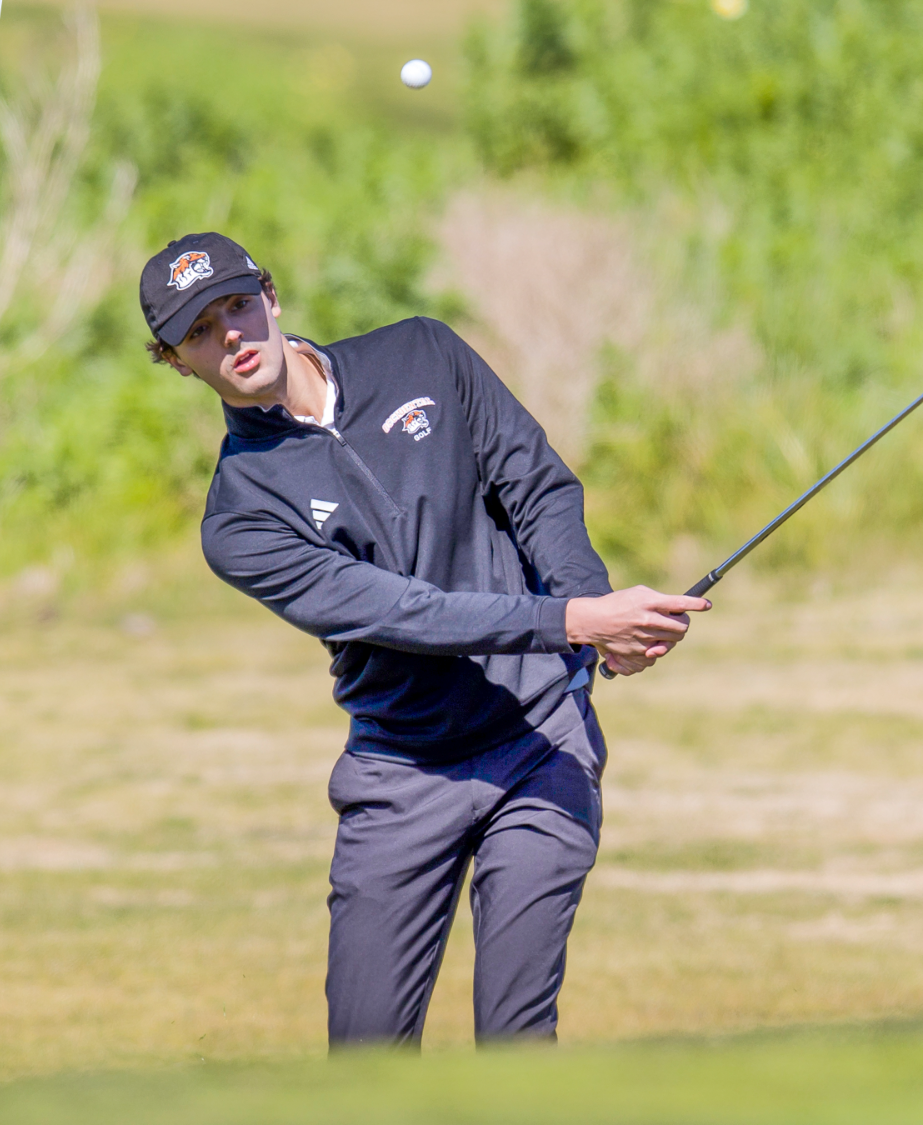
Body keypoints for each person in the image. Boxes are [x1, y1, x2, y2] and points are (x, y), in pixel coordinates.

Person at [138, 232, 709, 1047]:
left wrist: (588, 608)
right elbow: (404, 612)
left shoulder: (422, 353)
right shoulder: (240, 518)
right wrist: (574, 622)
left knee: (516, 1044)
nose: (230, 334)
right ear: (176, 360)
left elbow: (535, 484)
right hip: (401, 774)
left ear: (271, 295)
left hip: (540, 741)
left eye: (236, 305)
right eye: (199, 330)